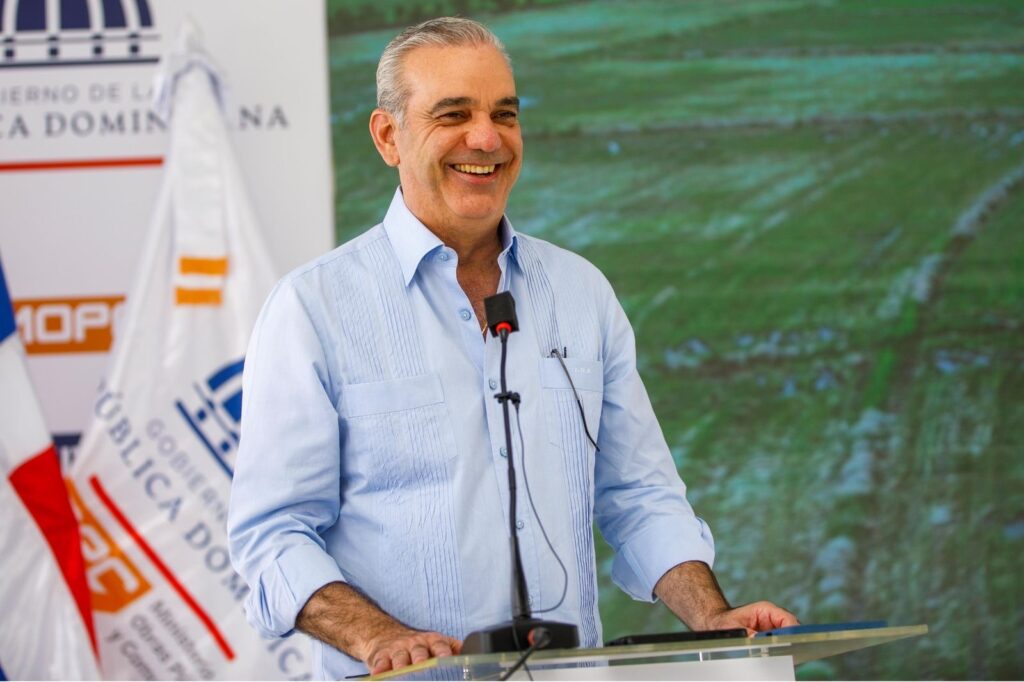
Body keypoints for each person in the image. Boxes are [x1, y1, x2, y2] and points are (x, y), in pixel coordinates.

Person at [227, 17, 797, 680]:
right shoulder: (313, 308)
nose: (487, 138)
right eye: (453, 114)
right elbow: (273, 535)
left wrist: (712, 616)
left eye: (505, 113)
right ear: (388, 136)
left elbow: (640, 493)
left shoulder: (581, 294)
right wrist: (380, 638)